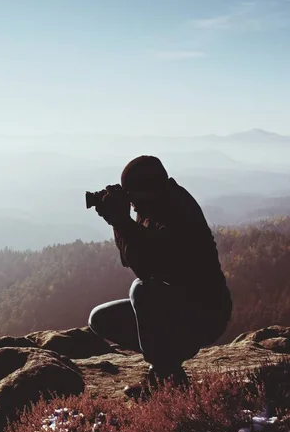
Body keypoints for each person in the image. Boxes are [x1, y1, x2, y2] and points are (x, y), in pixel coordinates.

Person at [88, 155, 232, 398]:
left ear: (149, 190)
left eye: (133, 196)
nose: (132, 204)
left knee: (142, 290)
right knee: (100, 318)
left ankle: (165, 377)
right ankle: (170, 365)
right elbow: (130, 259)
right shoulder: (152, 206)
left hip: (206, 314)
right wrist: (117, 222)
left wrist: (121, 220)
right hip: (174, 309)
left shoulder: (178, 212)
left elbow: (148, 269)